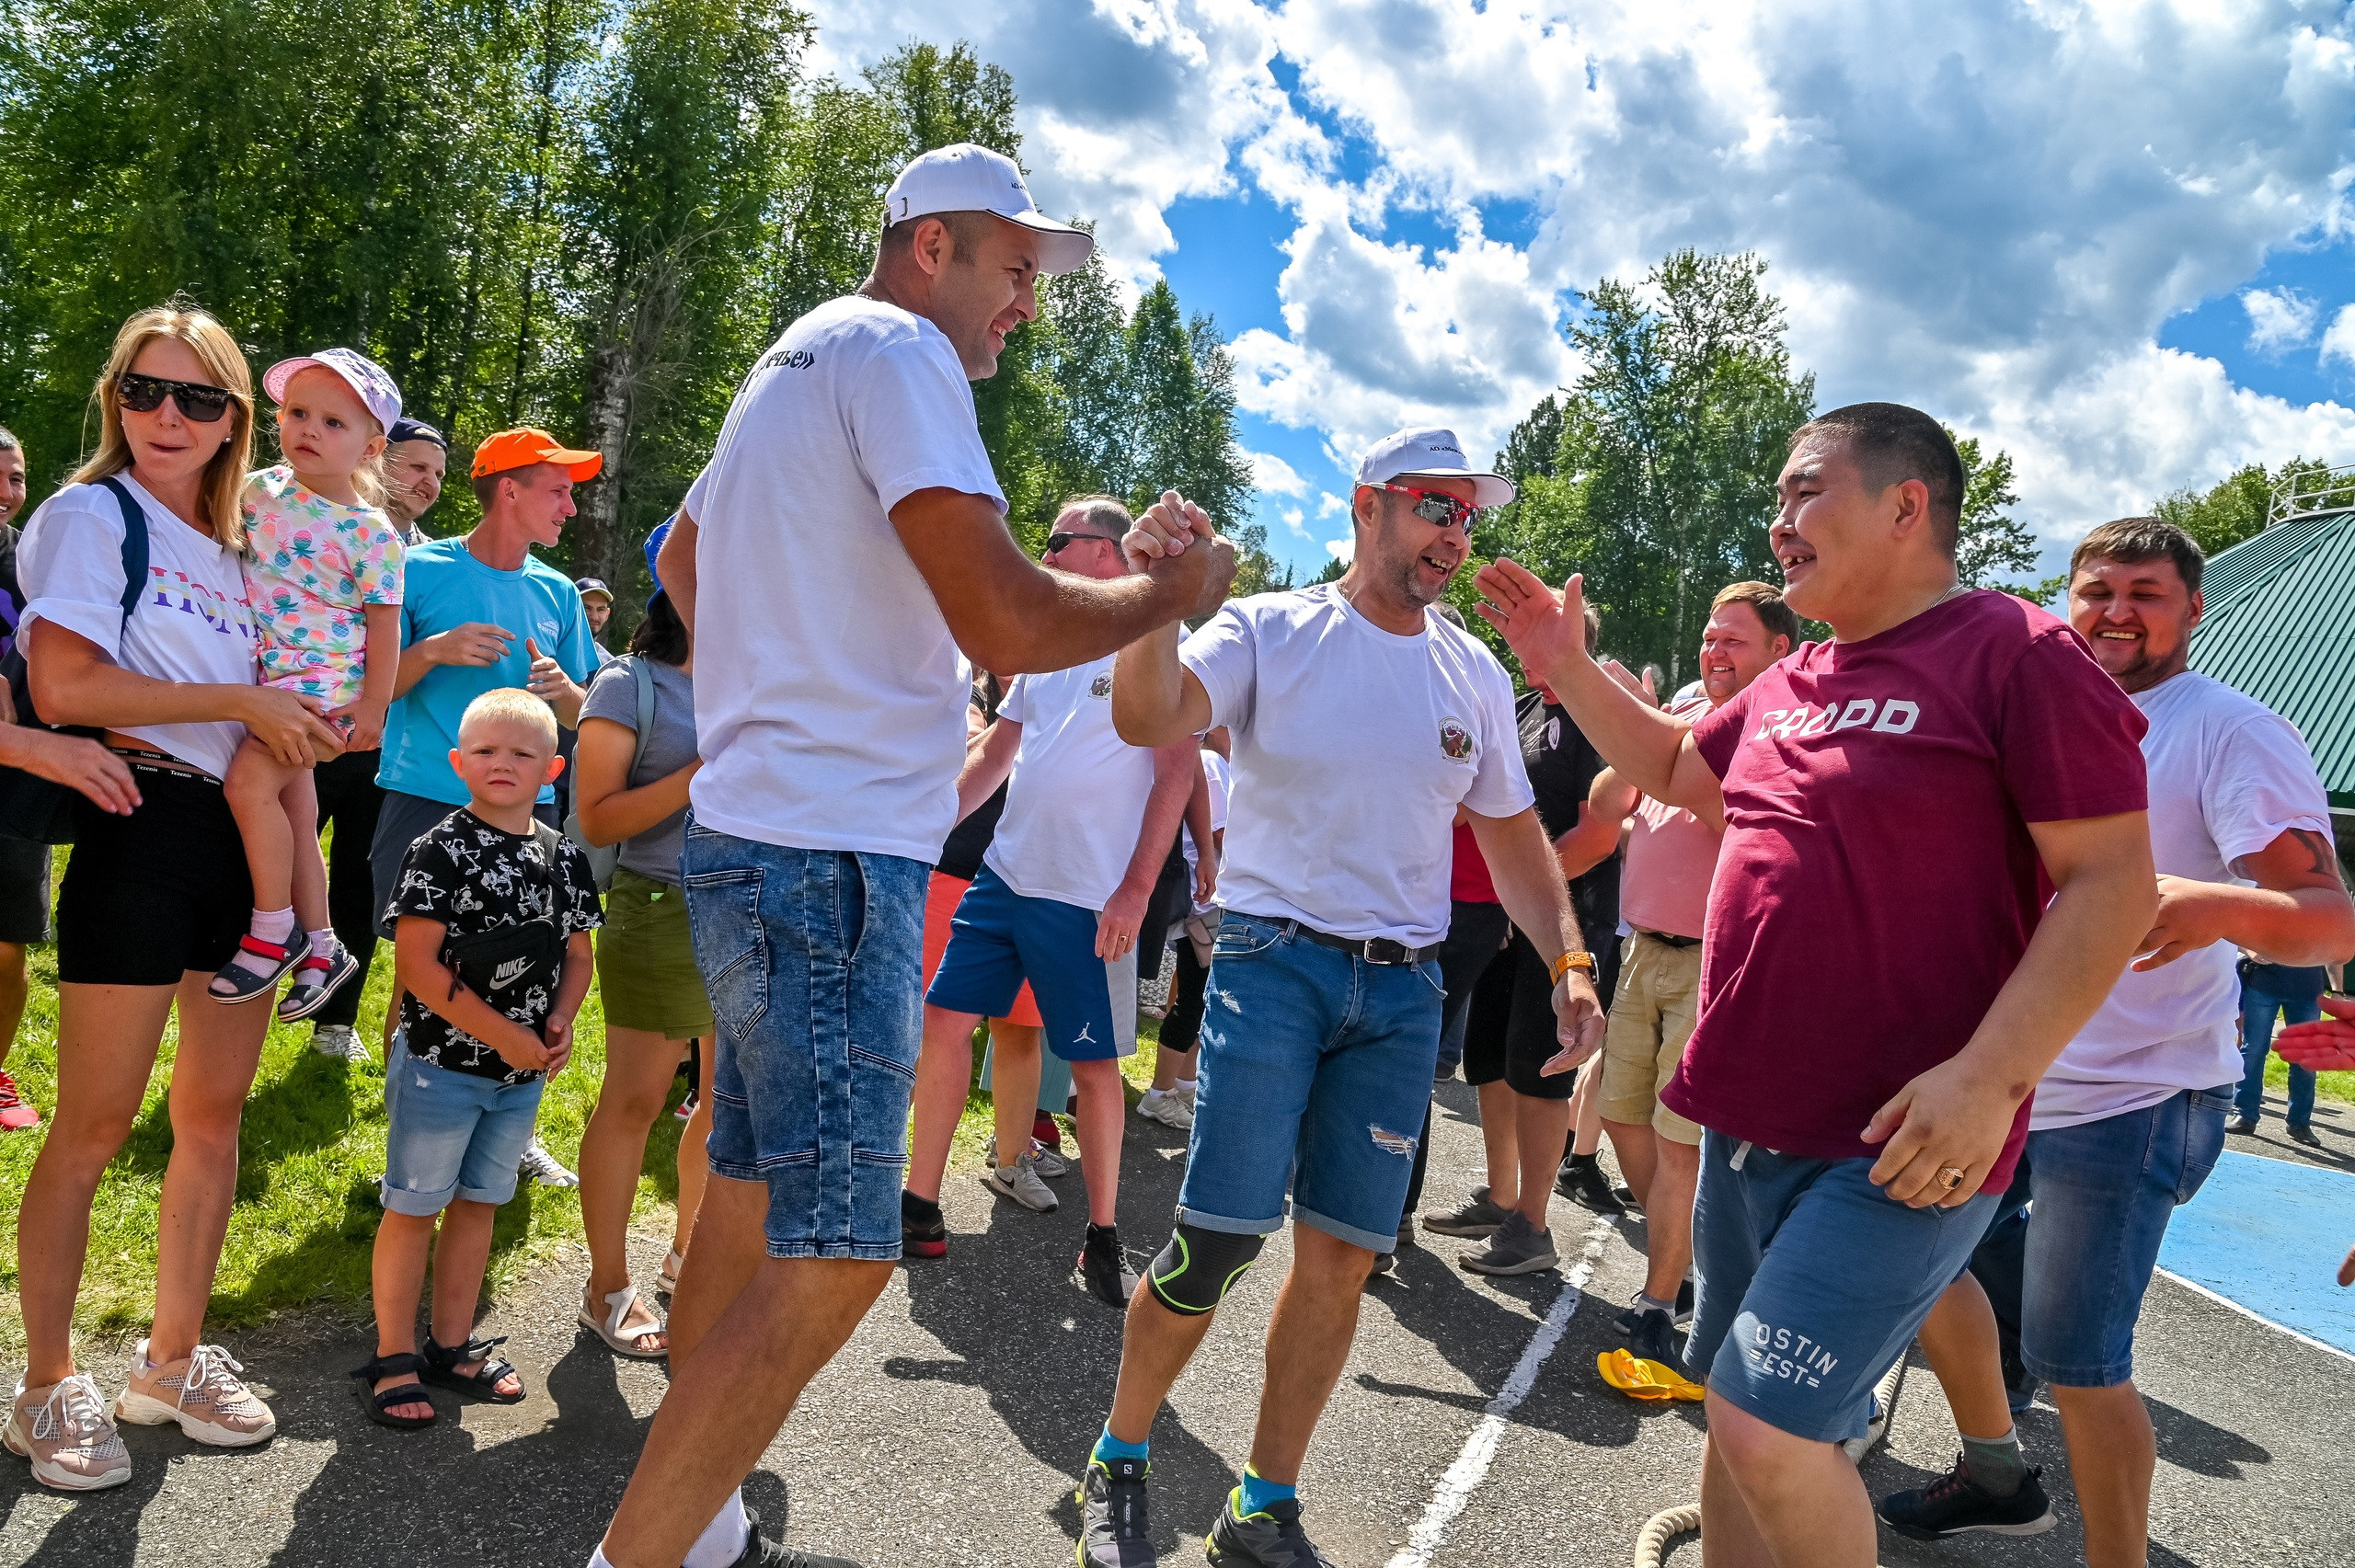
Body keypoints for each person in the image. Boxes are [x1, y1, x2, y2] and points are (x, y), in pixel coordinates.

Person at [591, 142, 1231, 1568]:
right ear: (929, 243)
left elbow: (682, 558)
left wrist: (805, 668)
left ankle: (688, 1530)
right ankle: (640, 1554)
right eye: (1015, 267)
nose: (1027, 302)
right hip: (828, 859)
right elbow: (1008, 621)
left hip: (761, 836)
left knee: (749, 1209)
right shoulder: (899, 353)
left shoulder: (797, 354)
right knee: (842, 1249)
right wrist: (1168, 591)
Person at [1474, 403, 2158, 1568]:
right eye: (1778, 500)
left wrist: (1990, 1081)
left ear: (1906, 505)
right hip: (1748, 1116)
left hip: (1901, 1141)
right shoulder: (1800, 677)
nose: (1778, 521)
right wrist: (1564, 668)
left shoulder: (2014, 649)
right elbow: (1680, 769)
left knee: (1766, 1422)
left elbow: (2112, 886)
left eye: (1804, 493)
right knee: (1736, 1428)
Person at [1075, 427, 1605, 1568]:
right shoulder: (1271, 626)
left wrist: (1567, 959)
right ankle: (1121, 1452)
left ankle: (1261, 1503)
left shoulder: (1469, 666)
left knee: (1343, 1256)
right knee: (1216, 1241)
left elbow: (1514, 840)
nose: (1454, 536)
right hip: (1274, 968)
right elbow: (1147, 716)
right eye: (1433, 507)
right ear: (1367, 504)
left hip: (1403, 992)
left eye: (1467, 516)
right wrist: (1158, 599)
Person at [1880, 519, 2353, 1562]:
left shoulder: (2226, 729)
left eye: (2146, 592)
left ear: (2193, 609)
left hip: (2132, 1097)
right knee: (1904, 1263)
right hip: (2003, 1077)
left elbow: (2327, 915)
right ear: (2066, 599)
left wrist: (2210, 901)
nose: (2116, 611)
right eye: (2096, 589)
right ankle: (1999, 1474)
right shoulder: (2035, 717)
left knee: (2077, 1355)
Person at [8, 303, 343, 1491]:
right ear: (115, 401)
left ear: (232, 420)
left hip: (242, 834)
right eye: (145, 392)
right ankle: (48, 1381)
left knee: (212, 1118)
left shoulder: (250, 539)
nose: (168, 416)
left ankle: (170, 1357)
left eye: (198, 399)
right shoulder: (91, 514)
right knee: (94, 1124)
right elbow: (60, 678)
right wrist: (245, 709)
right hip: (141, 822)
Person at [908, 496, 1200, 1307]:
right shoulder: (1045, 643)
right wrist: (924, 833)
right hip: (1004, 878)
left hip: (1084, 898)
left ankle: (1103, 1235)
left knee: (1097, 1065)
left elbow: (1179, 773)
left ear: (1105, 552)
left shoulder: (1157, 640)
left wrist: (1138, 888)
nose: (1044, 553)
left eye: (1058, 542)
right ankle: (919, 1203)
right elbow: (998, 750)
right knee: (945, 1022)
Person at [352, 688, 601, 1429]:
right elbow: (419, 965)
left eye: (522, 753)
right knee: (412, 1206)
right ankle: (393, 1354)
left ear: (552, 769)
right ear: (458, 762)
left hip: (520, 1076)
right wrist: (503, 1034)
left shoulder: (566, 857)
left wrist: (559, 1018)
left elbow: (580, 955)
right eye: (486, 751)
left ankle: (450, 1343)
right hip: (439, 1066)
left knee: (480, 1205)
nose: (503, 764)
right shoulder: (438, 848)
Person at [373, 425, 603, 1189]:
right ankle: (411, 1129)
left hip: (522, 825)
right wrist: (434, 650)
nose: (570, 506)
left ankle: (515, 1127)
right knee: (419, 975)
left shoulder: (558, 592)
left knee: (525, 970)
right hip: (425, 802)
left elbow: (586, 715)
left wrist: (563, 692)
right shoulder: (418, 567)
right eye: (558, 489)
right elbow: (371, 693)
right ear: (510, 488)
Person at [1588, 581, 1794, 1361]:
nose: (1714, 651)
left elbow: (1740, 828)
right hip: (1642, 950)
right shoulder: (1685, 706)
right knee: (1619, 1116)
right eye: (1710, 636)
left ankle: (1657, 1297)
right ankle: (1690, 1259)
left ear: (1778, 649)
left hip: (1715, 961)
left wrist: (1698, 757)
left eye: (1732, 639)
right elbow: (1608, 801)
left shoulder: (1779, 727)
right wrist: (1659, 729)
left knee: (1680, 1143)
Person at [1423, 604, 1626, 1278]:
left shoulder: (1598, 715)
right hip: (1508, 921)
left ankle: (1533, 1224)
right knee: (1490, 1061)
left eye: (1542, 635)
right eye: (1522, 636)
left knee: (1540, 1073)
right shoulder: (1516, 705)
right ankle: (1502, 1193)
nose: (1524, 646)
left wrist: (1531, 896)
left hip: (1568, 926)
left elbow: (1599, 836)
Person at [207, 349, 406, 1023]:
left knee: (247, 786)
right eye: (296, 413)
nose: (307, 429)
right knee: (294, 810)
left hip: (322, 694)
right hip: (266, 679)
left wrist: (374, 704)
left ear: (371, 446)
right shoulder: (259, 489)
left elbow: (385, 626)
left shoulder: (371, 532)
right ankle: (321, 945)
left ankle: (273, 927)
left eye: (331, 421)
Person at [572, 525, 711, 1357]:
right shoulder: (629, 683)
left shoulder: (756, 682)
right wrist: (708, 768)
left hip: (749, 909)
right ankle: (607, 1285)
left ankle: (687, 1258)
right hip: (657, 905)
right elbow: (599, 817)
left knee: (726, 1108)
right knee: (635, 1102)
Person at [901, 668, 1058, 1261]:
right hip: (956, 876)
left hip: (1037, 881)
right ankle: (920, 1194)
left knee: (1022, 1030)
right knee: (944, 1033)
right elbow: (964, 749)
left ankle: (1013, 1160)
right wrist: (1007, 728)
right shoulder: (968, 687)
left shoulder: (1067, 688)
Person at [305, 414, 449, 1062]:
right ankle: (237, 996)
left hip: (380, 746)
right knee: (264, 869)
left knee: (360, 884)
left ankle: (336, 1022)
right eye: (417, 466)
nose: (429, 483)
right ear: (377, 458)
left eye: (439, 474)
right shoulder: (321, 527)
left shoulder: (431, 562)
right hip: (302, 731)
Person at [1137, 727, 1227, 1130]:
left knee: (1202, 1000)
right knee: (1193, 999)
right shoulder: (1210, 762)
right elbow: (1219, 832)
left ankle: (1184, 1084)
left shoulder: (1220, 763)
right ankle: (1158, 1094)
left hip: (1212, 900)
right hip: (1202, 903)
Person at [2233, 956, 2330, 1140]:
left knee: (2304, 1057)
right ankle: (2245, 1115)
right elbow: (2237, 931)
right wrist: (2251, 951)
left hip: (2308, 989)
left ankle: (2300, 1123)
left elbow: (2337, 945)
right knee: (2253, 1050)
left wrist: (2338, 990)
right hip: (2263, 984)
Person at [576, 578, 615, 648]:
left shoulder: (608, 659)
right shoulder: (552, 652)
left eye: (601, 609)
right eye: (586, 608)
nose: (594, 617)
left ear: (607, 614)